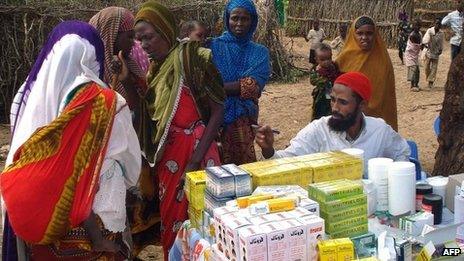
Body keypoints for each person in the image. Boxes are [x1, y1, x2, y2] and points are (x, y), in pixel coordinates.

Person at [1, 21, 141, 260]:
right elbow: (131, 170)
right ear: (95, 55)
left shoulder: (23, 98)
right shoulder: (108, 103)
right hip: (96, 223)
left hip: (39, 214)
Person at [134, 1, 226, 258]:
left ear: (165, 30)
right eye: (139, 40)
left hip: (197, 151)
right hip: (169, 155)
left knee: (203, 218)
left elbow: (218, 110)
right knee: (172, 220)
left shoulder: (192, 58)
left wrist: (195, 161)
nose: (144, 45)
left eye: (149, 37)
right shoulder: (154, 70)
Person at [256, 72, 410, 178]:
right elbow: (287, 161)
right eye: (333, 99)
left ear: (362, 105)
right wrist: (269, 150)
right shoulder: (319, 129)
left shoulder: (380, 131)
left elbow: (402, 156)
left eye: (343, 102)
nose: (335, 108)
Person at [210, 0, 270, 165]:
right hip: (212, 119)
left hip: (242, 121)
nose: (239, 23)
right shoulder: (213, 47)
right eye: (235, 18)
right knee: (213, 168)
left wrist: (212, 88)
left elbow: (252, 88)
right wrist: (236, 87)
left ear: (252, 21)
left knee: (243, 170)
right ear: (227, 19)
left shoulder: (260, 53)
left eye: (245, 19)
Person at [336, 16, 398, 131]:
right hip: (348, 118)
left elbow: (386, 97)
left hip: (377, 119)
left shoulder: (383, 60)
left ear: (375, 35)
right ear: (353, 34)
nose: (364, 38)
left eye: (369, 33)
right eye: (360, 33)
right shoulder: (343, 59)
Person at [89, 7, 147, 111]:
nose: (134, 43)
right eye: (129, 37)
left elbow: (139, 109)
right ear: (110, 36)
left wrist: (126, 80)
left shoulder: (129, 66)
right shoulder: (91, 75)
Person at [309, 43, 341, 120]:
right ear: (316, 59)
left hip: (334, 94)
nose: (326, 62)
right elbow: (313, 81)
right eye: (322, 60)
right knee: (320, 112)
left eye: (329, 58)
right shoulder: (316, 70)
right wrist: (325, 78)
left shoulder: (334, 66)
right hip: (321, 96)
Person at [422, 18, 444, 89]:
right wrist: (425, 44)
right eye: (436, 23)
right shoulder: (430, 31)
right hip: (429, 51)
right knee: (426, 67)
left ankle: (430, 82)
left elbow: (441, 42)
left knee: (434, 68)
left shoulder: (441, 33)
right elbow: (425, 39)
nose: (437, 25)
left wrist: (440, 49)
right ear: (434, 23)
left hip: (436, 52)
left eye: (439, 24)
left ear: (440, 25)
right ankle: (428, 77)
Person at [405, 20, 422, 91]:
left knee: (417, 70)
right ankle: (413, 85)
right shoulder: (413, 35)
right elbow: (415, 46)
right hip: (410, 54)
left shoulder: (419, 34)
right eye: (415, 25)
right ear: (413, 26)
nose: (417, 27)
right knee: (413, 69)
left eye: (418, 26)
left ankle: (416, 84)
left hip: (415, 54)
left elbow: (419, 45)